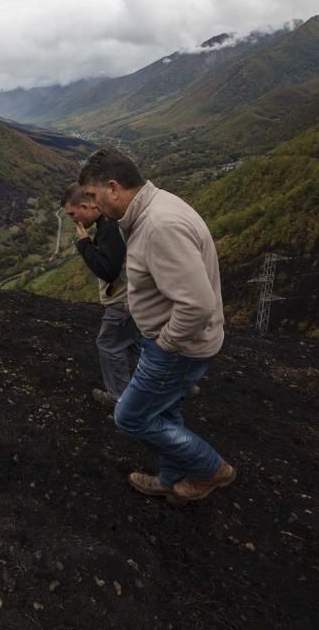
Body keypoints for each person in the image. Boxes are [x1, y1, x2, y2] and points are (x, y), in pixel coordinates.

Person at [79, 147, 235, 504]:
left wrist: (165, 343)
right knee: (164, 411)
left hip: (176, 348)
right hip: (177, 342)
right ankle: (171, 478)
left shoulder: (159, 226)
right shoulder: (156, 208)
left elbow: (197, 304)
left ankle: (210, 468)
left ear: (114, 187)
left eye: (94, 195)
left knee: (130, 417)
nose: (94, 205)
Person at [61, 183, 139, 407]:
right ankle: (166, 386)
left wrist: (84, 244)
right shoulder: (110, 222)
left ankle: (121, 400)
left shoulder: (109, 227)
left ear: (85, 206)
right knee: (137, 344)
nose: (72, 220)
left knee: (109, 344)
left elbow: (107, 270)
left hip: (122, 301)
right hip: (133, 297)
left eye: (72, 214)